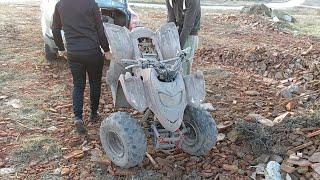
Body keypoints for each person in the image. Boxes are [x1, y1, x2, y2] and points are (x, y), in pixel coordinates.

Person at [52, 0, 110, 134]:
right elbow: (100, 29)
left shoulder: (60, 4)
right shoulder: (91, 4)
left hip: (74, 53)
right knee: (95, 83)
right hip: (92, 52)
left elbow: (55, 28)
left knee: (78, 85)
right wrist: (106, 50)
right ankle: (94, 113)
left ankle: (78, 117)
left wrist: (61, 48)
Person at [165, 0, 201, 75]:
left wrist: (178, 47)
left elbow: (188, 26)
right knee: (171, 66)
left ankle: (184, 85)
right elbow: (171, 22)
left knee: (183, 69)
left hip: (189, 35)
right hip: (177, 33)